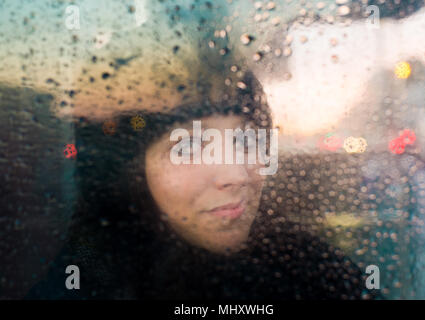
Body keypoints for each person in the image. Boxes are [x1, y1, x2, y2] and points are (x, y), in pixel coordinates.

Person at [26, 68, 378, 300]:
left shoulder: (311, 269)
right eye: (188, 146)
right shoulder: (88, 279)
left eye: (246, 141)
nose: (237, 175)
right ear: (130, 172)